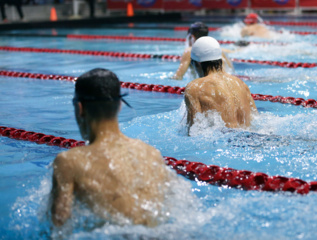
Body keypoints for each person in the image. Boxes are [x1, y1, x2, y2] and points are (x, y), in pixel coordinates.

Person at [51, 68, 171, 227]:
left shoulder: (69, 162)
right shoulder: (151, 154)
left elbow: (58, 228)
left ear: (79, 108)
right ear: (120, 105)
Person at [184, 36, 257, 134]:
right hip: (250, 137)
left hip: (226, 142)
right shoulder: (240, 83)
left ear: (197, 64)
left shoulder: (195, 87)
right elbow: (255, 119)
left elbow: (193, 131)